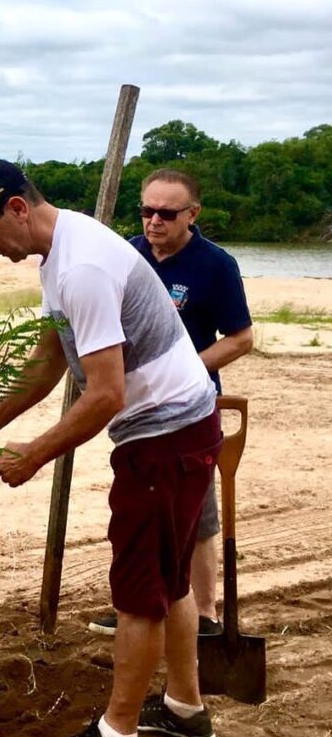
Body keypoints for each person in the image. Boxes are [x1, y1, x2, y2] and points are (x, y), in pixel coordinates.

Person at [0, 159, 222, 737]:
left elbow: (105, 394)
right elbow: (50, 359)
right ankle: (184, 706)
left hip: (164, 437)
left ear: (17, 208)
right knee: (170, 577)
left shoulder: (83, 268)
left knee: (139, 593)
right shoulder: (63, 252)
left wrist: (36, 454)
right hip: (179, 426)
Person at [89, 168, 253, 639]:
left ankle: (204, 615)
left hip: (191, 409)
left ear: (192, 214)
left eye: (166, 213)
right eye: (147, 210)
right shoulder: (127, 254)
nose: (154, 221)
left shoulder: (214, 265)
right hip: (134, 409)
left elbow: (241, 338)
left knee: (197, 514)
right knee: (139, 508)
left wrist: (186, 367)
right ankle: (136, 607)